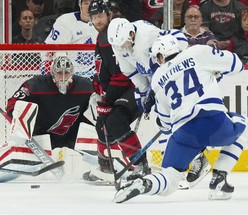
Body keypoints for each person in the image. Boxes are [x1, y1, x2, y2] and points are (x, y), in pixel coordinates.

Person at [113, 34, 246, 203]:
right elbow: (237, 65)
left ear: (161, 56)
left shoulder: (158, 78)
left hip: (183, 133)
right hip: (212, 121)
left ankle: (145, 184)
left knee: (171, 178)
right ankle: (219, 179)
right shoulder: (197, 52)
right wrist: (215, 69)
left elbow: (166, 125)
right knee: (242, 127)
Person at [107, 17, 211, 188]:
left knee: (178, 121)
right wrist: (143, 95)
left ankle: (197, 157)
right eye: (119, 46)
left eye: (125, 43)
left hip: (176, 79)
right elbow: (134, 74)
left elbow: (180, 39)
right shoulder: (119, 44)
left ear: (132, 34)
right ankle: (180, 164)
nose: (122, 48)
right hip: (159, 85)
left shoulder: (148, 34)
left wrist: (158, 83)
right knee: (164, 124)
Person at [82, 0, 151, 184]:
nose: (98, 20)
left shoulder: (114, 35)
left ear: (109, 14)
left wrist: (107, 99)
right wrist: (98, 87)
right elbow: (104, 69)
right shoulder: (101, 38)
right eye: (94, 17)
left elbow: (122, 75)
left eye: (100, 16)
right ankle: (105, 166)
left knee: (115, 121)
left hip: (137, 86)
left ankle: (140, 164)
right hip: (121, 89)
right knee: (102, 125)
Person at [6, 53, 94, 150]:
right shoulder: (35, 85)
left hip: (73, 137)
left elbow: (100, 103)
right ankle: (20, 149)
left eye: (67, 73)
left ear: (72, 72)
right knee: (21, 109)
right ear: (53, 72)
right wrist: (19, 121)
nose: (63, 77)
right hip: (40, 136)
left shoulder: (86, 86)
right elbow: (13, 104)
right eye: (60, 73)